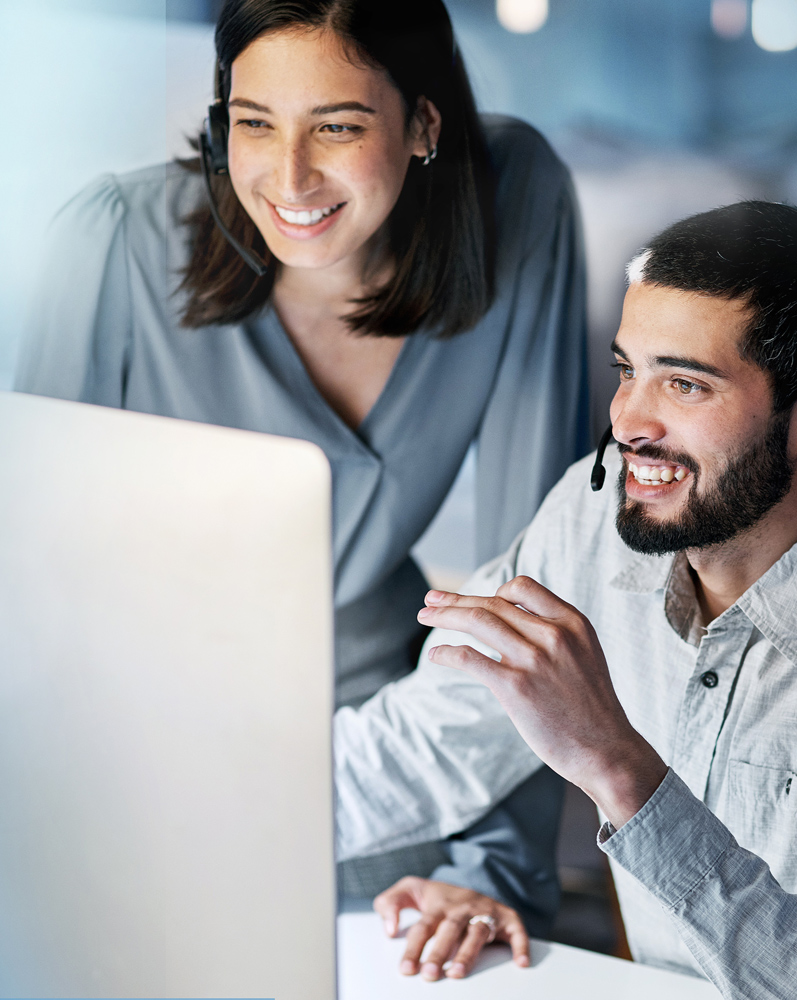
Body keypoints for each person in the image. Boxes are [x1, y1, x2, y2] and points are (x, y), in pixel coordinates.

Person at [15, 0, 588, 948]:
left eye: (337, 126)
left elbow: (536, 586)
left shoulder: (516, 201)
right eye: (255, 123)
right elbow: (30, 600)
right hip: (137, 747)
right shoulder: (112, 243)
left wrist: (490, 874)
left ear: (424, 123)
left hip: (392, 743)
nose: (289, 179)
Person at [335, 201, 797, 994]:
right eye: (628, 370)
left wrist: (617, 768)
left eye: (685, 384)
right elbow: (422, 748)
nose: (628, 420)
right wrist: (180, 816)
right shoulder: (599, 513)